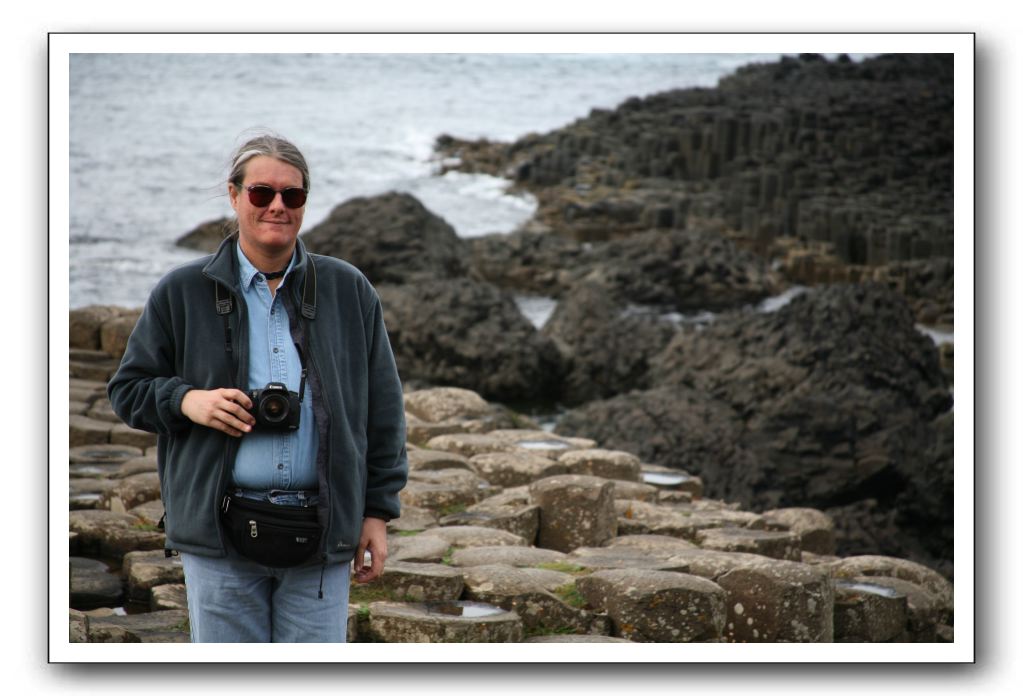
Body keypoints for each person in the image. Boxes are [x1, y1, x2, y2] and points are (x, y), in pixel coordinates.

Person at [108, 133, 408, 643]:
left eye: (292, 196)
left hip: (321, 532)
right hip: (219, 537)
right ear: (234, 195)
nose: (277, 206)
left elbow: (383, 410)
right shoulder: (183, 292)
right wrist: (188, 400)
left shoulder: (348, 290)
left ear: (305, 203)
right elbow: (128, 390)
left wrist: (377, 512)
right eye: (261, 193)